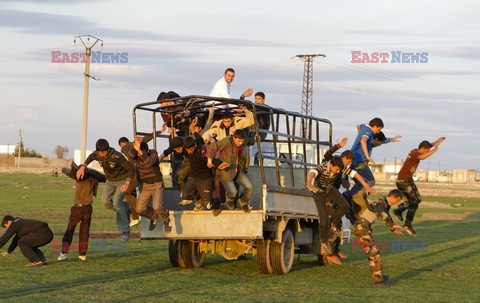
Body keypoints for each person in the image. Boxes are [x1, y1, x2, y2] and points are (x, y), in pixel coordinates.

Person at [321, 138, 377, 258]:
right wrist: (338, 145)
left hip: (335, 196)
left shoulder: (343, 168)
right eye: (349, 161)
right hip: (326, 195)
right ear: (344, 158)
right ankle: (331, 253)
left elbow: (353, 174)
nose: (349, 164)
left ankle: (336, 250)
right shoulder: (332, 162)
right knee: (334, 224)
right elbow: (327, 154)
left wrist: (365, 186)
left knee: (340, 223)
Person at [76, 139, 134, 242]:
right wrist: (82, 167)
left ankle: (125, 231)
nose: (101, 154)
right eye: (99, 152)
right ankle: (127, 207)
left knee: (117, 202)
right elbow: (90, 158)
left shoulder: (117, 156)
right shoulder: (96, 154)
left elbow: (130, 169)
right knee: (106, 203)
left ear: (107, 149)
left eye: (103, 151)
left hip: (122, 180)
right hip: (110, 181)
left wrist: (127, 182)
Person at [393, 137, 446, 236]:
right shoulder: (415, 154)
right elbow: (422, 157)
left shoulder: (416, 150)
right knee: (414, 202)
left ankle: (399, 210)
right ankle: (407, 224)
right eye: (427, 150)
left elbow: (427, 145)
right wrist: (435, 150)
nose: (427, 152)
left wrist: (436, 142)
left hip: (407, 180)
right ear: (423, 149)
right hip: (403, 181)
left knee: (417, 200)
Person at [352, 189, 406, 287]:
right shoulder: (381, 203)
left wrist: (392, 228)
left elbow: (386, 215)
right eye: (397, 201)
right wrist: (392, 225)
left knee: (373, 253)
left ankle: (379, 276)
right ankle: (378, 281)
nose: (397, 203)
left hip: (364, 229)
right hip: (362, 230)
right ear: (394, 198)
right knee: (374, 253)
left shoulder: (385, 203)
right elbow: (382, 214)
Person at [306, 156, 351, 265]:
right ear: (331, 165)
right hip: (319, 192)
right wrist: (308, 183)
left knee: (345, 206)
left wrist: (366, 185)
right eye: (336, 169)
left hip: (330, 190)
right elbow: (312, 172)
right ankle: (324, 242)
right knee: (324, 218)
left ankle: (335, 224)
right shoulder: (322, 167)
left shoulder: (339, 167)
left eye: (339, 170)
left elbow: (354, 174)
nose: (338, 172)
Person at [58, 162, 106, 261]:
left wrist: (68, 169)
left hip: (78, 208)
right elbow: (103, 178)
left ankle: (63, 253)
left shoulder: (80, 177)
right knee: (84, 232)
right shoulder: (94, 179)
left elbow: (66, 171)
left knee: (70, 230)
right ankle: (82, 254)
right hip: (88, 208)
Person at [128, 137, 172, 233]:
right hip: (145, 186)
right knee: (139, 209)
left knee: (157, 207)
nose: (139, 156)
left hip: (156, 184)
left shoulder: (153, 154)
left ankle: (166, 219)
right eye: (138, 154)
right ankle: (154, 217)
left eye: (141, 153)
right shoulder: (136, 157)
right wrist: (134, 147)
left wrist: (140, 151)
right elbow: (130, 156)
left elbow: (149, 163)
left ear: (147, 151)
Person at [207, 129, 253, 212]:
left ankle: (243, 202)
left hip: (238, 170)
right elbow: (213, 146)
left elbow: (250, 140)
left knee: (250, 187)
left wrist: (256, 138)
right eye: (239, 141)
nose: (240, 143)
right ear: (234, 138)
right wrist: (209, 160)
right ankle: (230, 201)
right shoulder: (227, 141)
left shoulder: (242, 141)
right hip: (226, 172)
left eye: (242, 141)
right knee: (233, 192)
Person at [181, 132, 224, 215]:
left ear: (195, 146)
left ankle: (218, 203)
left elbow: (212, 158)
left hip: (205, 179)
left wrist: (219, 164)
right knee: (185, 195)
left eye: (190, 149)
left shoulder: (202, 151)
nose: (189, 152)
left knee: (208, 206)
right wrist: (194, 131)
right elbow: (199, 138)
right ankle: (199, 197)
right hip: (193, 177)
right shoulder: (195, 143)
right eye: (187, 150)